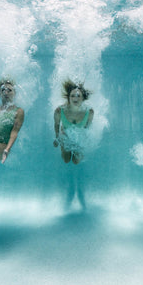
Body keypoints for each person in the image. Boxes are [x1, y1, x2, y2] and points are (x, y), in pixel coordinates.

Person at [53, 80, 94, 209]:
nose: (75, 98)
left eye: (78, 96)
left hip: (78, 138)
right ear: (68, 97)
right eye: (72, 96)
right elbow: (56, 124)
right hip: (65, 136)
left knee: (76, 161)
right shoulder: (60, 110)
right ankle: (68, 181)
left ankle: (78, 184)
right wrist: (57, 137)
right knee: (66, 160)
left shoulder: (89, 111)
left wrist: (83, 139)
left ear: (83, 98)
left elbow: (87, 127)